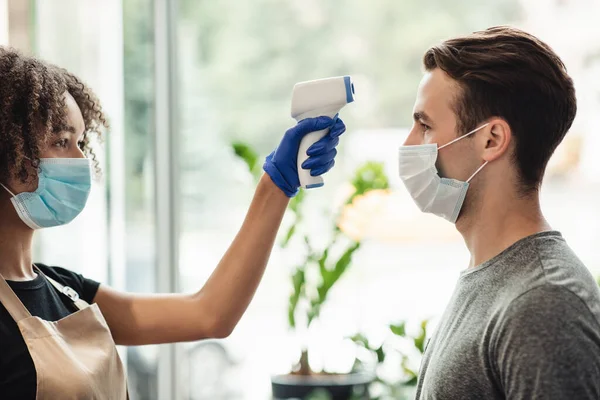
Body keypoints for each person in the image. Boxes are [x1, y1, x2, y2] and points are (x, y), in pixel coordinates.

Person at [0, 46, 346, 399]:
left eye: (80, 141)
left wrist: (276, 185)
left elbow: (209, 314)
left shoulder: (67, 292)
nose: (79, 159)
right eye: (61, 141)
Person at [397, 26, 600, 399]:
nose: (409, 143)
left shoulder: (544, 303)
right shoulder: (493, 275)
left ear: (491, 140)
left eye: (425, 125)